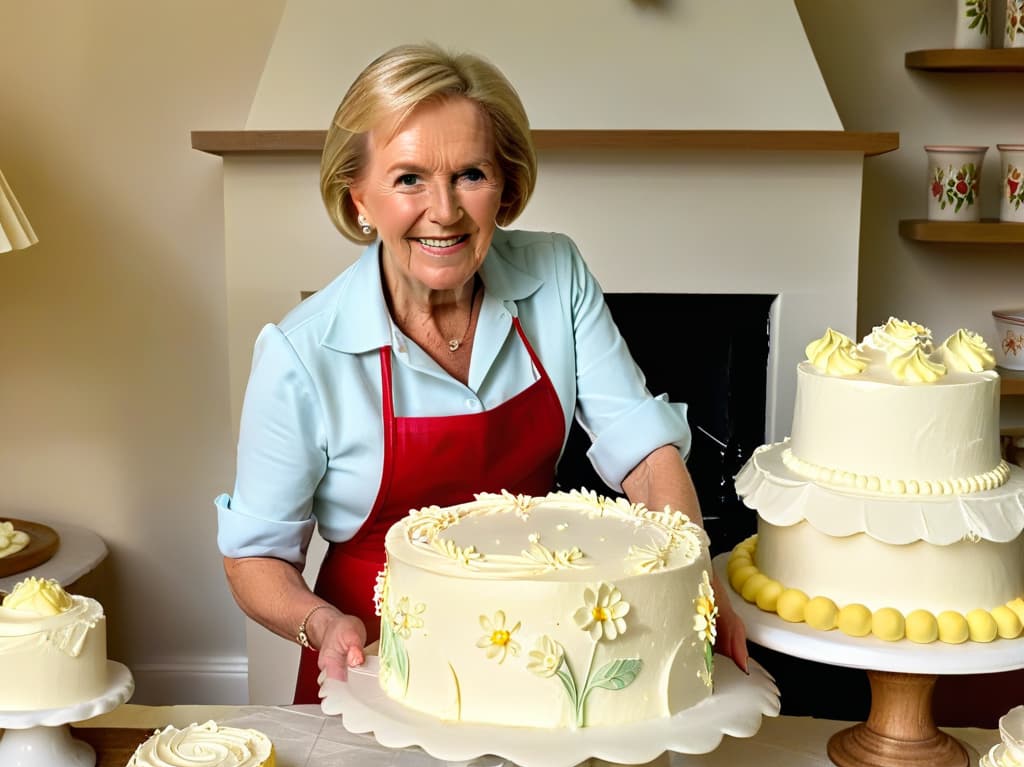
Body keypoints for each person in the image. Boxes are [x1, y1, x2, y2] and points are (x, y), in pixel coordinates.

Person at [216, 42, 747, 705]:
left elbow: (643, 453)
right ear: (359, 198)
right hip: (381, 660)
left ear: (506, 186)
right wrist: (320, 623)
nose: (444, 210)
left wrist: (694, 577)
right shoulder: (302, 353)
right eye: (409, 178)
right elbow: (256, 558)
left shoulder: (556, 275)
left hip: (541, 649)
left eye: (470, 174)